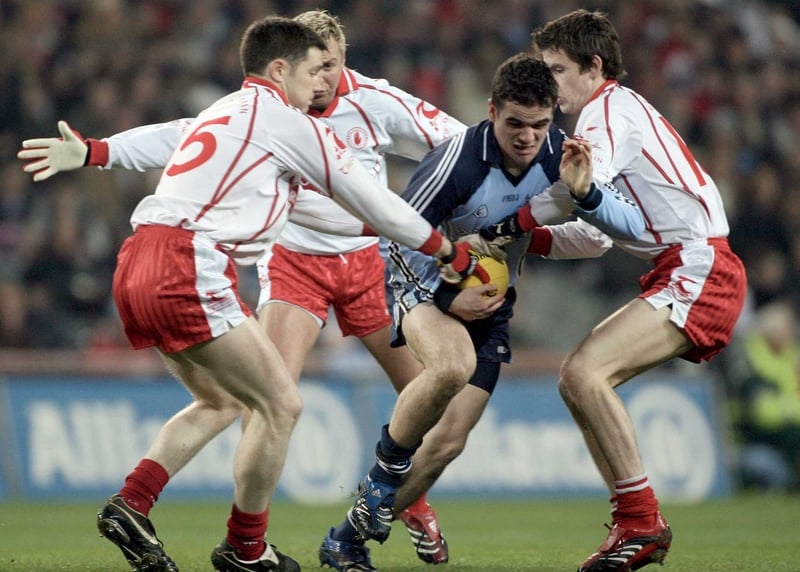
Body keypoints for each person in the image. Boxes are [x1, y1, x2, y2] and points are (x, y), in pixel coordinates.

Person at [18, 16, 473, 572]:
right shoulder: (287, 121)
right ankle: (245, 549)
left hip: (139, 260)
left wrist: (95, 151)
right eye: (312, 70)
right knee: (281, 403)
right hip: (196, 263)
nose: (321, 83)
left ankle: (132, 503)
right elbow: (372, 201)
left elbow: (169, 134)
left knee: (227, 400)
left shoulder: (227, 110)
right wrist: (445, 250)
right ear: (280, 70)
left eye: (330, 67)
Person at [320, 52, 644, 572]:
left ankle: (347, 538)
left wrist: (585, 195)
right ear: (492, 111)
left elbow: (621, 229)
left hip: (491, 305)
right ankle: (382, 477)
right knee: (452, 366)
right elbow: (398, 238)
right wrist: (448, 297)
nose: (526, 137)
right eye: (514, 123)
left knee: (448, 442)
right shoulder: (456, 162)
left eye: (538, 125)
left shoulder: (563, 157)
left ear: (552, 119)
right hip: (423, 288)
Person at [513, 9, 748, 572]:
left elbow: (577, 195)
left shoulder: (607, 111)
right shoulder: (614, 114)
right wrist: (530, 240)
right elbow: (597, 233)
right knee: (578, 379)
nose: (550, 82)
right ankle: (633, 522)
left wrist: (503, 222)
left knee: (585, 373)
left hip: (699, 265)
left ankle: (641, 523)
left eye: (558, 69)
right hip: (686, 265)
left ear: (594, 67)